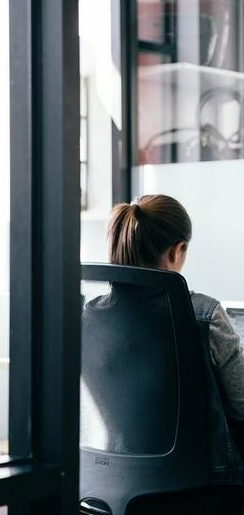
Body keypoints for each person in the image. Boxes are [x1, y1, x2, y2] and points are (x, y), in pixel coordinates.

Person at [87, 194, 244, 480]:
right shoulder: (204, 315)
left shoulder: (90, 318)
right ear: (177, 250)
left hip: (111, 483)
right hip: (200, 487)